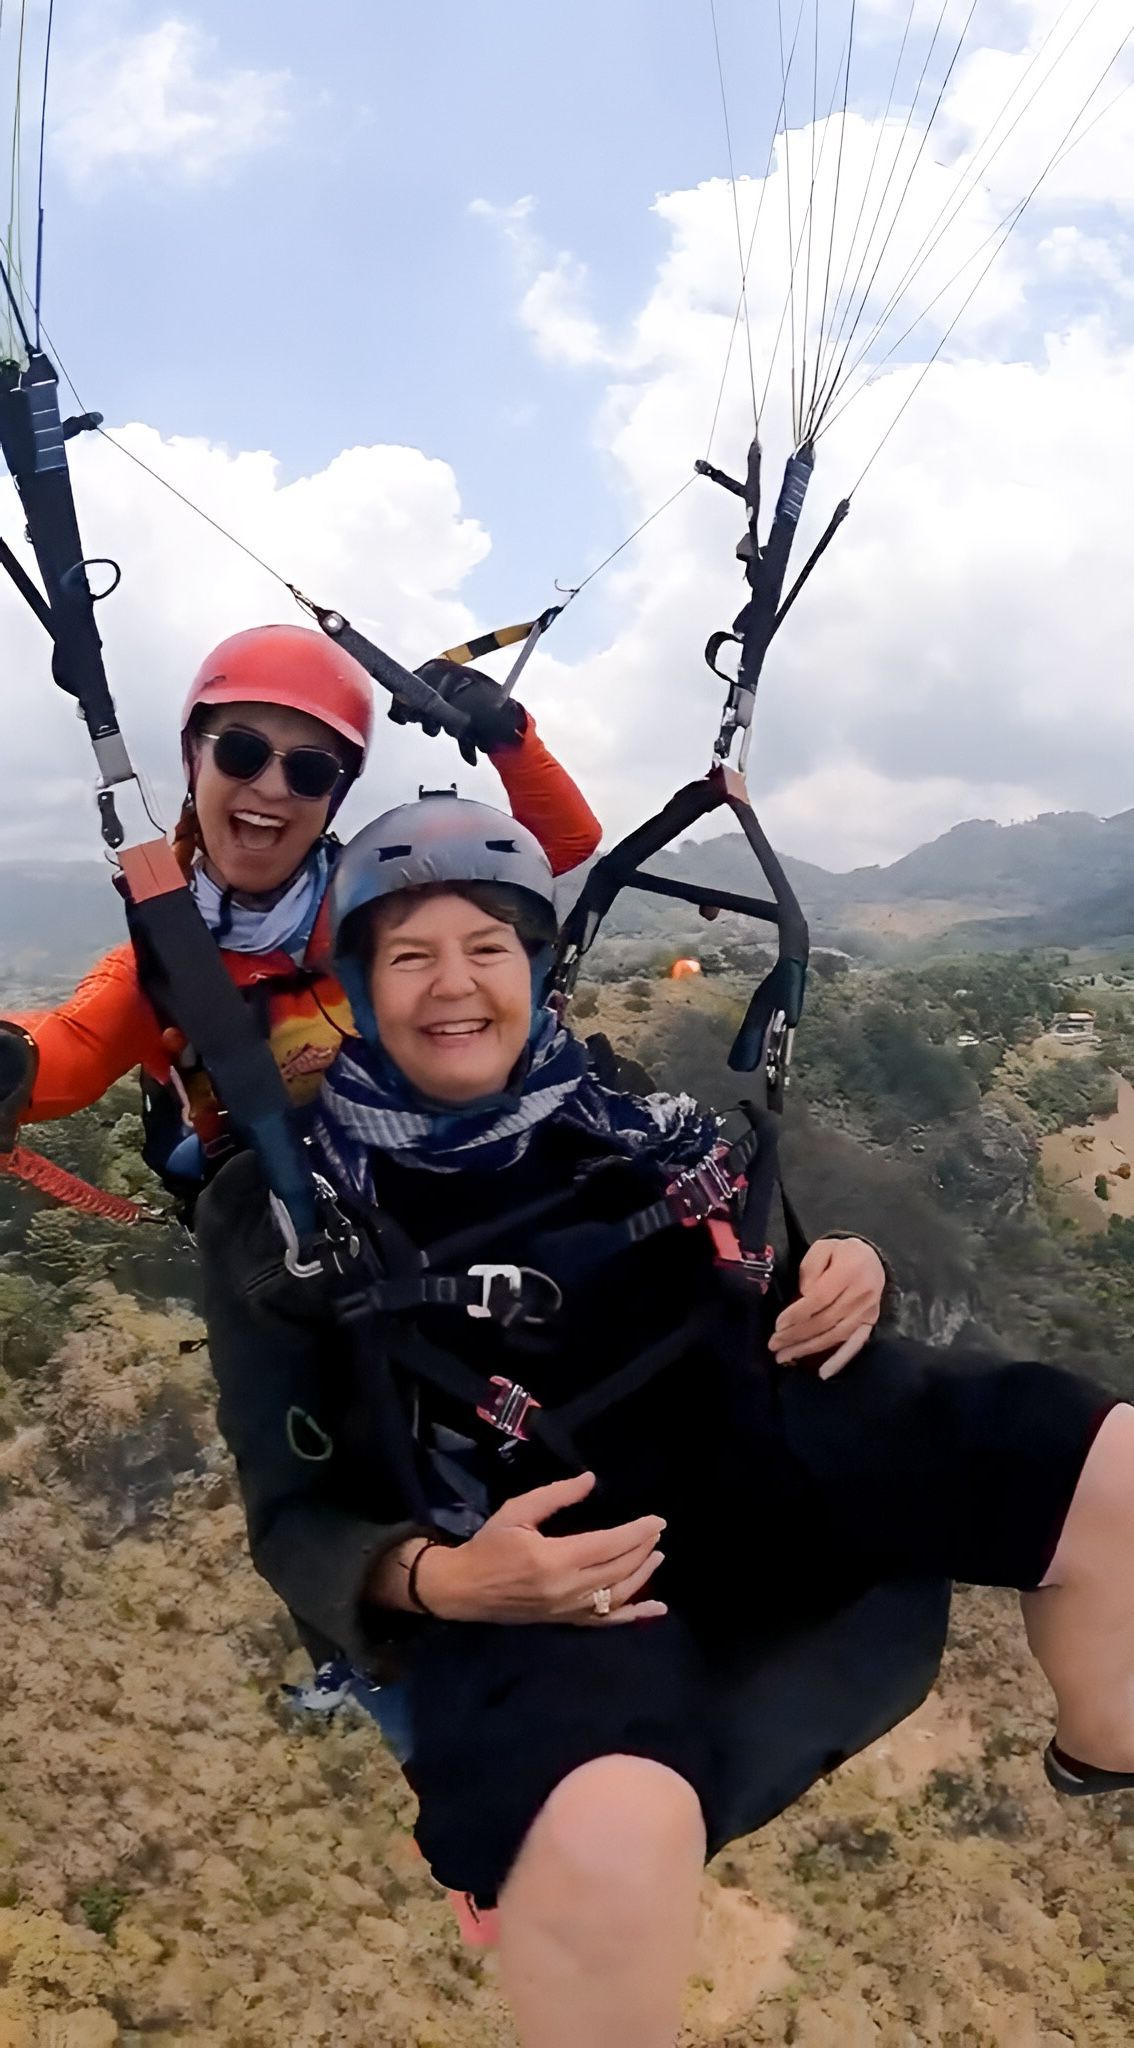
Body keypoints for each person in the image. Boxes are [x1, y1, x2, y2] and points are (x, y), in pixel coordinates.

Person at [197, 793, 1134, 2048]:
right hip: (550, 1573)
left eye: (487, 947)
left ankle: (1103, 1746)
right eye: (410, 955)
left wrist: (851, 1263)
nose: (454, 983)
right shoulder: (283, 1212)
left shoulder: (614, 1105)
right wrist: (441, 1579)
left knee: (1104, 1459)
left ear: (534, 968)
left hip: (750, 1456)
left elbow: (749, 1266)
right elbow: (291, 1513)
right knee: (608, 1837)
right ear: (360, 991)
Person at [1, 623, 602, 1203]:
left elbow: (563, 845)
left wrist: (508, 735)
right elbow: (69, 1049)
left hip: (439, 1186)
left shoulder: (379, 902)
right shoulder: (165, 966)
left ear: (335, 796)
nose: (270, 788)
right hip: (294, 1236)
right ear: (194, 761)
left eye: (309, 771)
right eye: (241, 753)